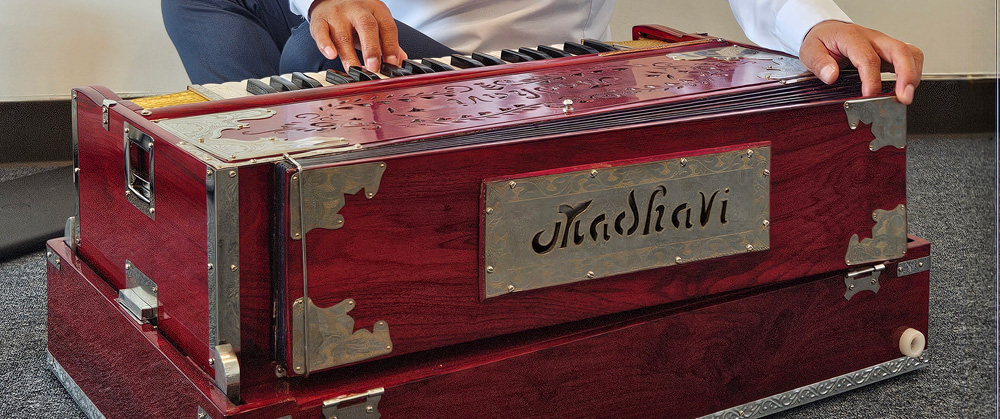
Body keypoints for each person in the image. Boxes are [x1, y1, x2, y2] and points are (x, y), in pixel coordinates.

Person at [162, 0, 923, 104]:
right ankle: (250, 182)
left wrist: (812, 22)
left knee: (316, 58)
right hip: (357, 22)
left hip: (500, 73)